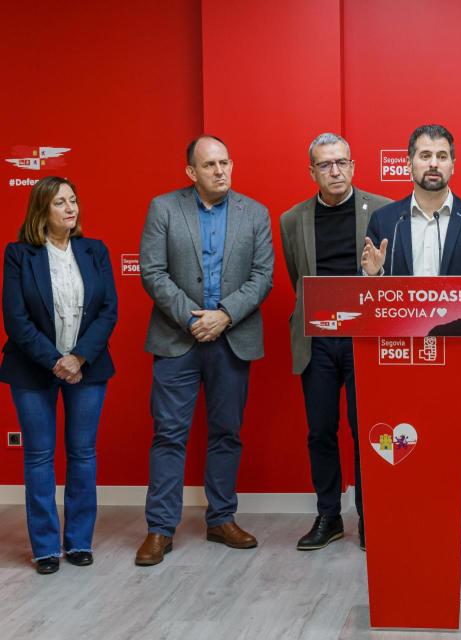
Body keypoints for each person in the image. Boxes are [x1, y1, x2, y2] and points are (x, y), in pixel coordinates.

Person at [361, 124, 461, 599]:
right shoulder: (385, 221)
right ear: (409, 163)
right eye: (425, 155)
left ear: (453, 164)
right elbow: (374, 306)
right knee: (403, 462)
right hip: (398, 368)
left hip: (459, 367)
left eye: (442, 155)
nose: (434, 163)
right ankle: (409, 548)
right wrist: (372, 280)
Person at [135, 135, 274, 566]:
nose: (220, 171)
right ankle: (160, 529)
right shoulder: (164, 208)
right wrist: (193, 319)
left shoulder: (256, 213)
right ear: (191, 173)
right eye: (210, 165)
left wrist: (224, 316)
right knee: (169, 434)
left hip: (232, 338)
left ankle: (221, 519)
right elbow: (152, 272)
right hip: (178, 339)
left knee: (226, 433)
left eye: (226, 163)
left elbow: (262, 275)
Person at [0, 176, 118, 574]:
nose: (71, 209)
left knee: (83, 454)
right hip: (32, 368)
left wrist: (79, 357)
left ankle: (79, 542)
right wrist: (56, 360)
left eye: (73, 200)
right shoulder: (19, 255)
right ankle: (46, 548)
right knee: (38, 457)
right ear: (41, 210)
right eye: (60, 203)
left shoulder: (95, 250)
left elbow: (108, 312)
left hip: (88, 367)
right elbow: (16, 320)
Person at [280, 133, 390, 551]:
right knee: (320, 430)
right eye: (325, 165)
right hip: (317, 341)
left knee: (366, 430)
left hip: (364, 338)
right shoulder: (292, 220)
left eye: (342, 162)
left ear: (354, 166)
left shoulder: (381, 211)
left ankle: (370, 516)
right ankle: (329, 515)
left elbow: (390, 276)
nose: (335, 171)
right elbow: (298, 279)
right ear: (312, 172)